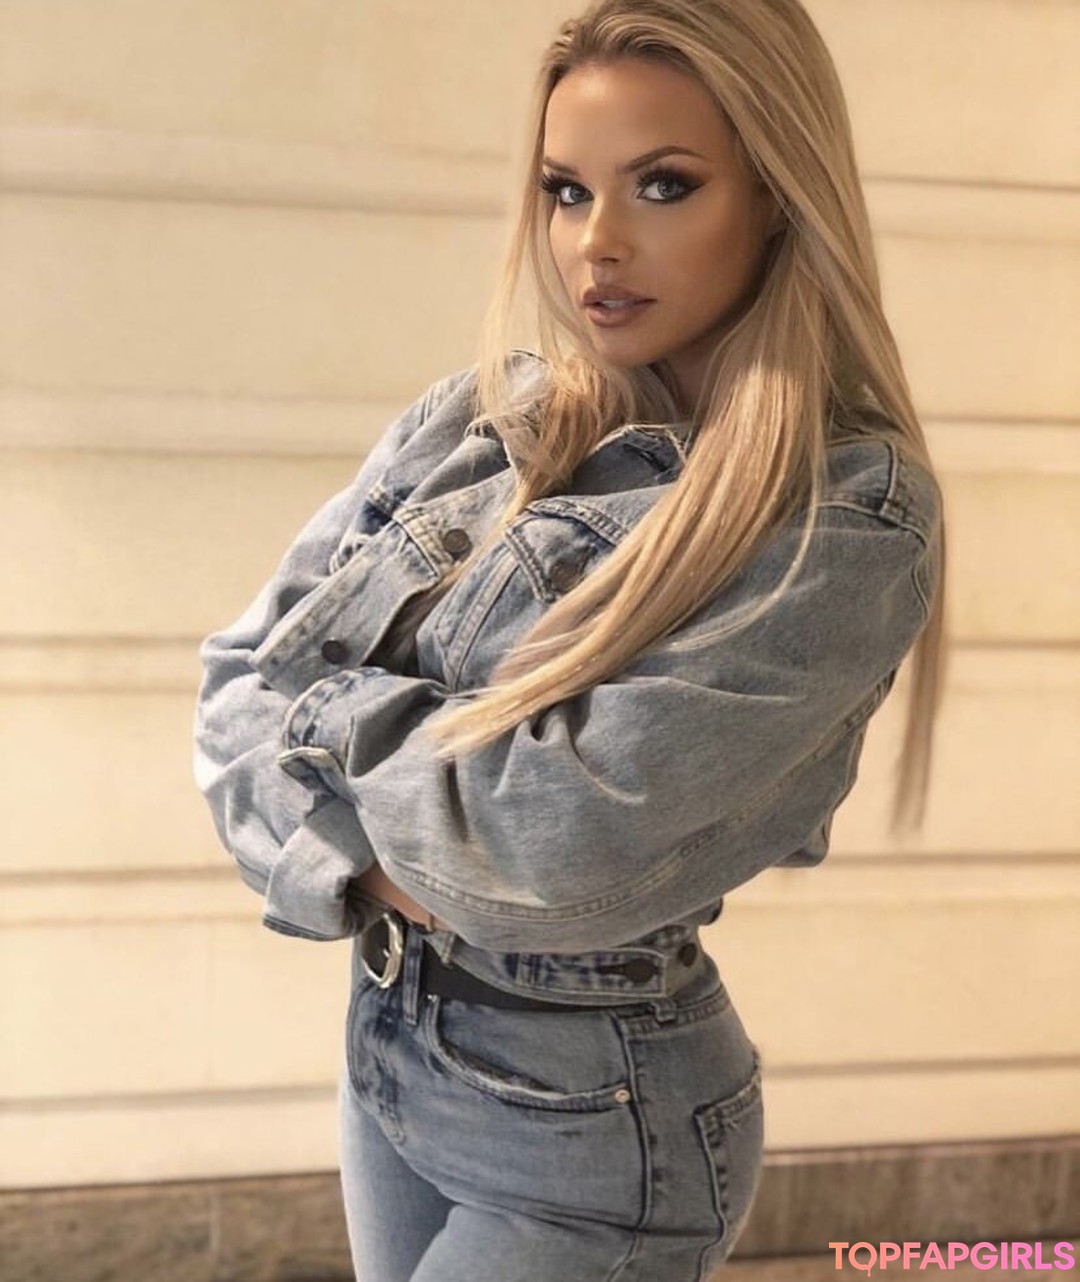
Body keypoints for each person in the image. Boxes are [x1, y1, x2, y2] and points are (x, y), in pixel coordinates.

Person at [193, 0, 946, 1277]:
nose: (597, 241)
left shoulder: (844, 514)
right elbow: (231, 688)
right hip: (391, 1046)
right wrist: (398, 846)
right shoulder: (482, 424)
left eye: (664, 184)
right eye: (564, 189)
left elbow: (549, 854)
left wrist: (326, 734)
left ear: (778, 194)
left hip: (594, 1128)